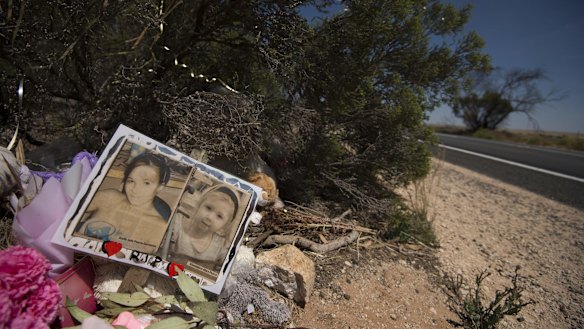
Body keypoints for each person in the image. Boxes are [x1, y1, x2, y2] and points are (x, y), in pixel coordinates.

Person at [76, 152, 171, 249]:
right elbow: (69, 215)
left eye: (146, 183)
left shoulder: (158, 226)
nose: (135, 189)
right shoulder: (108, 197)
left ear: (160, 187)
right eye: (131, 181)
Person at [169, 184, 239, 269]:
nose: (209, 217)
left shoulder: (220, 247)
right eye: (208, 208)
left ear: (226, 225)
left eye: (219, 216)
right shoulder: (176, 224)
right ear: (199, 205)